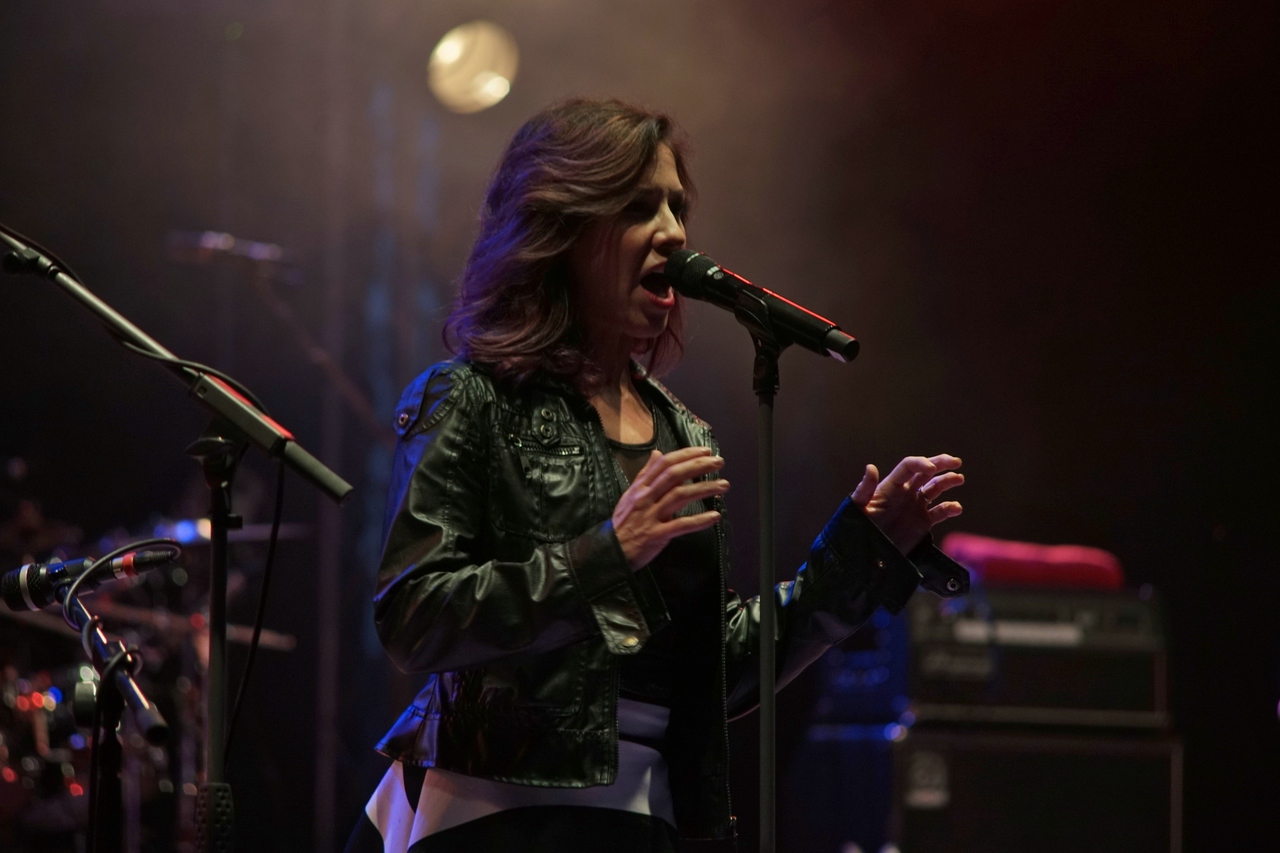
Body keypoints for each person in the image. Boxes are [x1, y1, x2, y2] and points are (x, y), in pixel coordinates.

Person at [345, 98, 967, 853]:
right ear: (564, 229)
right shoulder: (471, 399)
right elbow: (414, 616)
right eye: (640, 207)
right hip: (493, 810)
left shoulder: (682, 432)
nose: (673, 232)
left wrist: (860, 558)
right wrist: (606, 555)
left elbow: (716, 671)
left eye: (678, 207)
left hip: (645, 818)